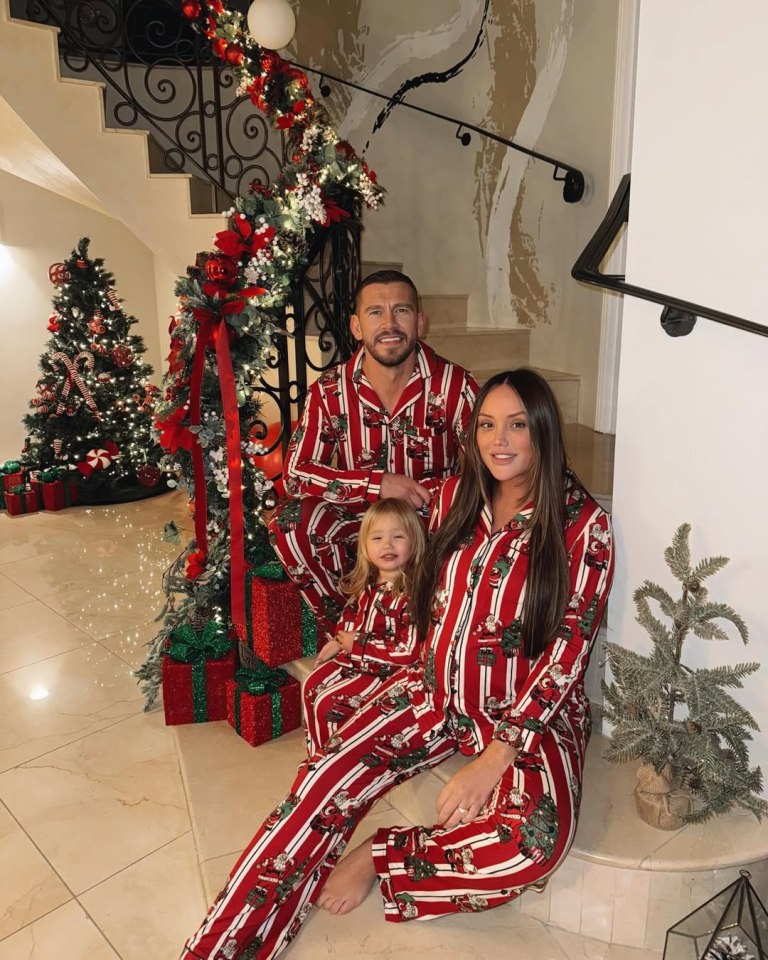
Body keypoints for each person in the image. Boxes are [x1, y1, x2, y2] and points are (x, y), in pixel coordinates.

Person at [181, 369, 614, 960]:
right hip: (431, 692)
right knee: (318, 789)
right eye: (487, 425)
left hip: (523, 717)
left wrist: (497, 754)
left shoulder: (582, 525)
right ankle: (219, 949)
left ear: (543, 430)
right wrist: (358, 627)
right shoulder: (458, 497)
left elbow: (570, 650)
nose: (500, 441)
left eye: (517, 425)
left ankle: (381, 855)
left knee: (530, 848)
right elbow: (349, 512)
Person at [268, 270, 478, 639]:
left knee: (475, 513)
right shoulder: (330, 390)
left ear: (420, 321)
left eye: (401, 310)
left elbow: (487, 468)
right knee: (290, 522)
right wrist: (375, 483)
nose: (390, 324)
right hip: (363, 525)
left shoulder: (455, 386)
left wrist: (435, 493)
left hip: (431, 522)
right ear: (356, 326)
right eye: (376, 313)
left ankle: (432, 633)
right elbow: (297, 474)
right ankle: (350, 626)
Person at [304, 497, 426, 756]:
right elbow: (350, 616)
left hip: (388, 673)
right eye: (377, 538)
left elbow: (408, 652)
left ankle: (338, 759)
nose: (388, 545)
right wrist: (339, 641)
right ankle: (318, 757)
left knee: (329, 704)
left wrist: (356, 645)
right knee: (312, 684)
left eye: (398, 537)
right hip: (358, 661)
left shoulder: (413, 593)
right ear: (365, 547)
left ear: (414, 542)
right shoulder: (368, 583)